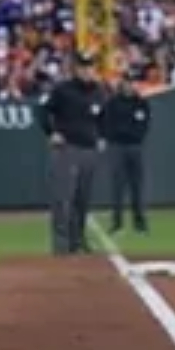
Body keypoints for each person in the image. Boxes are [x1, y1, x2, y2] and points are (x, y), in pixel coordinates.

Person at [42, 53, 106, 254]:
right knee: (63, 198)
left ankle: (78, 241)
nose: (87, 71)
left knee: (82, 198)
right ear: (76, 69)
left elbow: (104, 118)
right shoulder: (63, 90)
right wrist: (51, 132)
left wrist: (102, 136)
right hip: (67, 149)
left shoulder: (98, 91)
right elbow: (43, 111)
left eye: (90, 67)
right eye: (83, 67)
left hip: (89, 149)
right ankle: (61, 245)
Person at [102, 75, 152, 235]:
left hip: (135, 147)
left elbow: (144, 125)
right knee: (117, 187)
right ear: (122, 84)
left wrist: (135, 136)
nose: (129, 85)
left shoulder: (141, 103)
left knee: (137, 187)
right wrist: (112, 137)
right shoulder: (112, 103)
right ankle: (117, 224)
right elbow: (106, 123)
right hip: (117, 147)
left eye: (132, 82)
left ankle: (140, 223)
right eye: (126, 82)